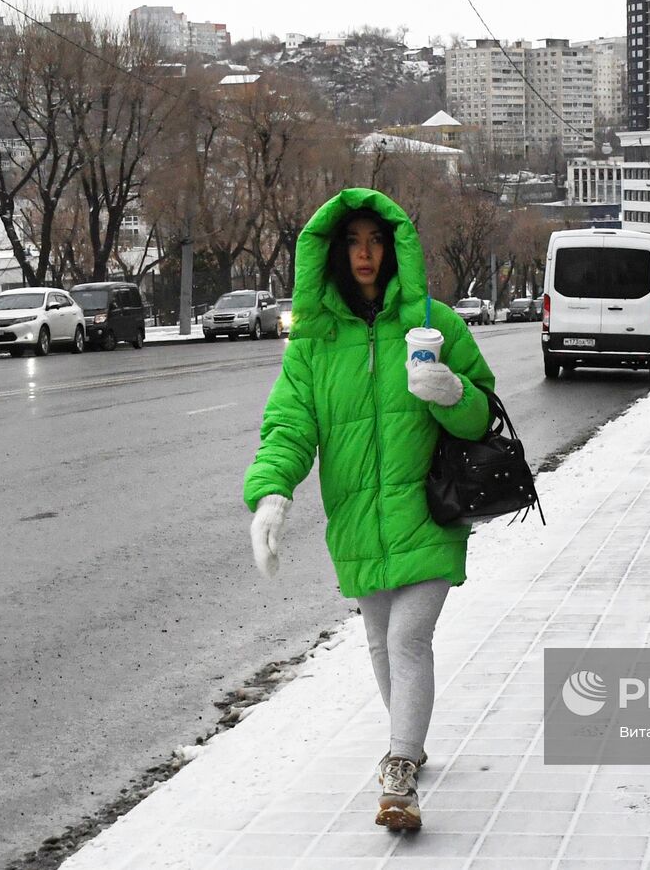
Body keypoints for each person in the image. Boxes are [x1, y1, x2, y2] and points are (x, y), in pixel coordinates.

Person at [243, 188, 495, 832]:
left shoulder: (435, 325)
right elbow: (289, 426)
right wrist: (272, 493)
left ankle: (400, 768)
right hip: (355, 517)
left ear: (394, 248)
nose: (364, 252)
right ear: (331, 252)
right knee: (380, 641)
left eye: (375, 240)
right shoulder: (315, 343)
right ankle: (406, 742)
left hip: (429, 509)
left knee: (409, 638)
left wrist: (450, 389)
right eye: (352, 241)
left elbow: (483, 413)